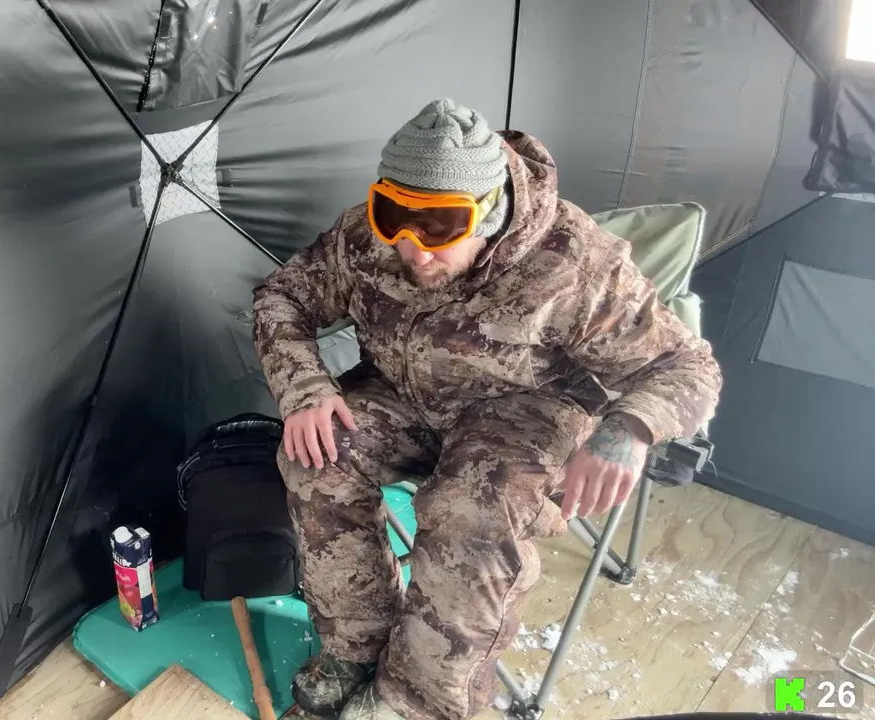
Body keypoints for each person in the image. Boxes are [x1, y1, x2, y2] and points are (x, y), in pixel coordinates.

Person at [251, 99, 722, 720]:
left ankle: (416, 700)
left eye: (442, 228)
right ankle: (356, 647)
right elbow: (282, 296)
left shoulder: (576, 263)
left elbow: (686, 366)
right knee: (317, 459)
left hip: (523, 416)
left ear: (490, 210)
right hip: (400, 393)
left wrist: (629, 430)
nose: (417, 252)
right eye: (396, 219)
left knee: (470, 512)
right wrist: (306, 389)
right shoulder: (367, 236)